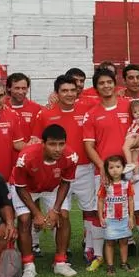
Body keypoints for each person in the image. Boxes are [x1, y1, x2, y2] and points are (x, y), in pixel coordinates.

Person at [83, 69, 139, 270]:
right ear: (96, 87)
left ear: (115, 83)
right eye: (101, 83)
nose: (106, 86)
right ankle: (99, 255)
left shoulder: (129, 106)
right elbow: (88, 146)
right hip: (104, 171)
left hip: (131, 168)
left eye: (109, 82)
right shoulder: (92, 113)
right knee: (99, 211)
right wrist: (102, 167)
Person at [31, 75, 93, 261]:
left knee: (90, 210)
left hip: (85, 168)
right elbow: (36, 141)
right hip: (58, 171)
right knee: (63, 214)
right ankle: (62, 252)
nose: (69, 94)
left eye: (73, 90)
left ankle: (89, 248)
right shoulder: (45, 113)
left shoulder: (88, 107)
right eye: (64, 91)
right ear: (56, 93)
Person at [11, 124, 79, 277]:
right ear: (43, 144)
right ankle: (28, 266)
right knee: (24, 219)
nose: (57, 149)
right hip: (26, 189)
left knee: (63, 215)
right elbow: (20, 187)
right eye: (52, 144)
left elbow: (65, 183)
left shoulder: (71, 156)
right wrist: (37, 213)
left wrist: (55, 210)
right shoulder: (26, 157)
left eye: (61, 144)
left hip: (51, 187)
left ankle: (60, 262)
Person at [98, 155, 137, 275]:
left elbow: (130, 200)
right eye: (111, 167)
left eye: (118, 166)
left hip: (124, 218)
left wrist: (131, 217)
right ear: (107, 169)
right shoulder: (105, 185)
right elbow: (100, 201)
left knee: (124, 241)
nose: (115, 170)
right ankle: (110, 266)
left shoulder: (127, 184)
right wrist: (100, 217)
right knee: (110, 242)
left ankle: (124, 262)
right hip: (110, 219)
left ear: (123, 168)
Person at [6, 73, 42, 138]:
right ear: (8, 88)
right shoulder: (0, 107)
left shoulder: (36, 109)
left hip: (29, 147)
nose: (20, 92)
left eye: (24, 88)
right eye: (17, 88)